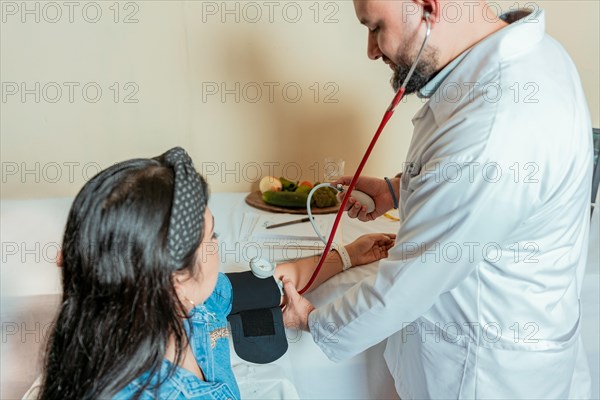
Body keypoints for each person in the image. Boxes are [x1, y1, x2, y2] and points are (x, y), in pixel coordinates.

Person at [281, 0, 593, 398]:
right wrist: (396, 189)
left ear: (428, 7)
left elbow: (406, 285)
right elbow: (470, 182)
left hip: (484, 376)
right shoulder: (536, 55)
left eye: (376, 27)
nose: (371, 50)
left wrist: (313, 320)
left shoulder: (497, 124)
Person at [33, 147, 395, 399]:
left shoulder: (182, 303)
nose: (219, 245)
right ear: (175, 280)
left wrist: (345, 256)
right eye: (212, 237)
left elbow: (269, 284)